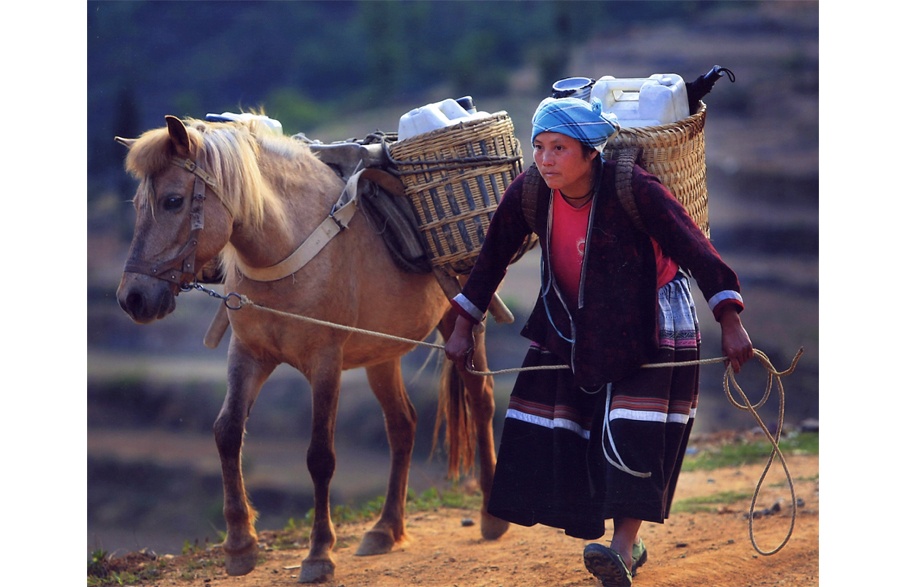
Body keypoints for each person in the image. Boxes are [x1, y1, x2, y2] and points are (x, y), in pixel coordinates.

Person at [444, 96, 753, 587]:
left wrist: (729, 317)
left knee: (634, 426)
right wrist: (463, 325)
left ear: (591, 153)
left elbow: (693, 246)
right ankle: (603, 529)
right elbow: (492, 258)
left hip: (648, 315)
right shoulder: (531, 192)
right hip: (571, 318)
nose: (545, 159)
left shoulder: (634, 189)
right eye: (539, 147)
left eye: (559, 149)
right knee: (551, 422)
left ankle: (623, 548)